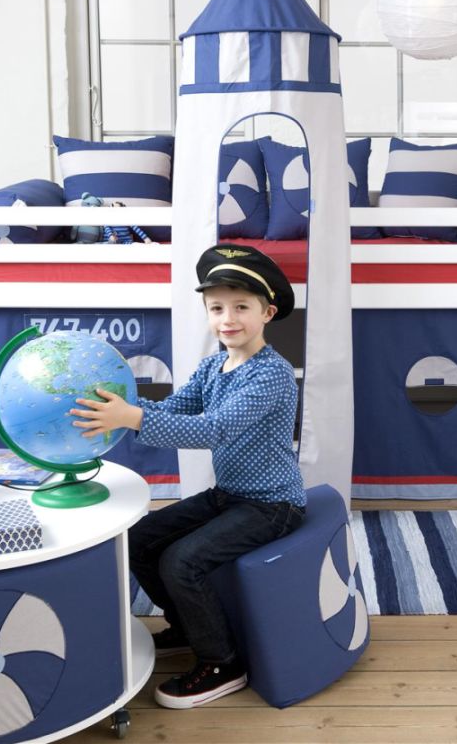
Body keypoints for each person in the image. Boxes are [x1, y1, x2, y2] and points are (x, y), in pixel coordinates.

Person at [69, 243, 305, 710]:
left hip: (272, 505)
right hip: (230, 495)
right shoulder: (214, 365)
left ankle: (223, 663)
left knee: (181, 561)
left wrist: (131, 418)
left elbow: (213, 429)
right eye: (217, 308)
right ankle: (187, 626)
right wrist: (122, 405)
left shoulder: (271, 375)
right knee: (139, 540)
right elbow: (175, 409)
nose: (228, 319)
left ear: (268, 312)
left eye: (241, 307)